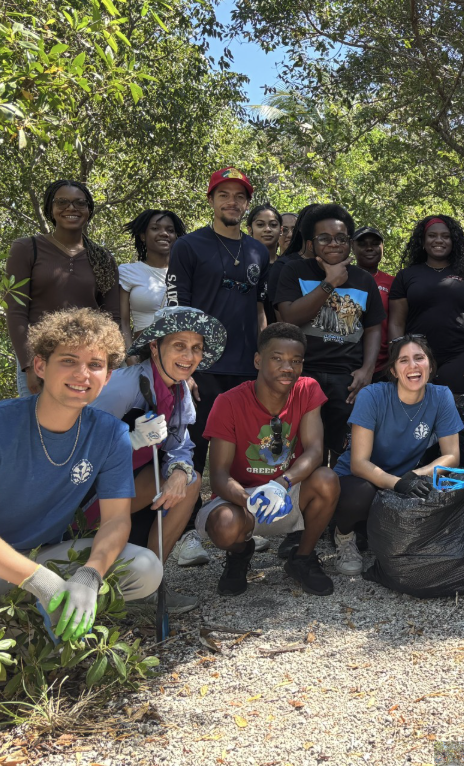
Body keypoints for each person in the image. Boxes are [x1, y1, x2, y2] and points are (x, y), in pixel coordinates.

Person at [0, 309, 161, 711]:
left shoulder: (110, 433)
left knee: (145, 568)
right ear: (41, 366)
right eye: (69, 360)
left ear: (108, 376)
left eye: (95, 365)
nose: (83, 374)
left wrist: (88, 574)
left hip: (43, 555)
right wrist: (42, 583)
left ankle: (34, 627)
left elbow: (117, 518)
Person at [88, 306, 226, 613]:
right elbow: (80, 446)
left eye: (196, 349)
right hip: (88, 496)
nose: (189, 357)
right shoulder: (122, 387)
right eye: (179, 346)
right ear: (154, 347)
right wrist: (129, 441)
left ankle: (146, 584)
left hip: (129, 488)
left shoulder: (179, 392)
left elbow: (181, 446)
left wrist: (178, 470)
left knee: (190, 482)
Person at [164, 167, 269, 568]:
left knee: (241, 454)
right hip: (201, 368)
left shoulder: (258, 250)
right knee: (192, 451)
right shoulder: (189, 247)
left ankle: (241, 524)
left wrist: (261, 359)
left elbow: (259, 308)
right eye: (223, 195)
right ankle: (187, 533)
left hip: (245, 368)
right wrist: (183, 369)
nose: (232, 203)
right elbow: (177, 309)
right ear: (211, 200)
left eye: (239, 197)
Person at [199, 323, 340, 596]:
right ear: (258, 360)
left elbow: (314, 451)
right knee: (225, 527)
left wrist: (281, 483)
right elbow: (218, 474)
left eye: (295, 361)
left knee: (328, 479)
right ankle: (240, 554)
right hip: (242, 497)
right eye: (277, 358)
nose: (288, 367)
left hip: (286, 489)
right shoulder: (228, 402)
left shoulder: (307, 389)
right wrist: (248, 500)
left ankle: (302, 558)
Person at [330, 335, 464, 575]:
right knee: (359, 496)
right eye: (403, 360)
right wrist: (398, 484)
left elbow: (452, 455)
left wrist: (416, 474)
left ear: (430, 366)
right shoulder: (372, 396)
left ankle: (371, 534)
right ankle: (344, 535)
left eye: (419, 358)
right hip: (361, 479)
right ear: (393, 370)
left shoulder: (441, 396)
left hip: (404, 477)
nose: (413, 366)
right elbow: (359, 463)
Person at [276, 204, 385, 465]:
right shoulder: (294, 271)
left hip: (346, 378)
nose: (333, 244)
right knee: (300, 450)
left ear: (349, 242)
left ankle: (337, 502)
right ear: (311, 244)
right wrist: (330, 283)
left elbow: (373, 327)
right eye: (324, 238)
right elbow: (290, 317)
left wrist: (367, 370)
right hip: (302, 374)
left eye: (341, 238)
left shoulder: (363, 279)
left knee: (342, 451)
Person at [5, 180, 121, 396]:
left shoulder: (103, 258)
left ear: (89, 210)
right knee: (38, 426)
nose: (71, 208)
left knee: (85, 427)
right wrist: (29, 364)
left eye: (79, 203)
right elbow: (15, 310)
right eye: (62, 202)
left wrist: (108, 365)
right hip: (42, 359)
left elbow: (113, 317)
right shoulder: (27, 248)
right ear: (51, 207)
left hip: (88, 362)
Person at [387, 215, 464, 395]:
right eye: (432, 236)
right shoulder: (406, 276)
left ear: (453, 241)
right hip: (417, 357)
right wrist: (398, 358)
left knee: (456, 413)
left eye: (446, 236)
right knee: (420, 414)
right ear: (423, 241)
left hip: (460, 354)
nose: (439, 240)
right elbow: (396, 323)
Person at [119, 209, 186, 340]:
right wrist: (130, 357)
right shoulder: (127, 272)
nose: (164, 233)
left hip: (180, 353)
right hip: (143, 354)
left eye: (170, 230)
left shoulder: (187, 274)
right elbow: (123, 322)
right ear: (143, 236)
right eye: (155, 228)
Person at [267, 203, 319, 324]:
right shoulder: (281, 267)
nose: (289, 234)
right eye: (284, 230)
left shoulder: (338, 269)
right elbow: (283, 322)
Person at [352, 226, 394, 373]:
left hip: (384, 365)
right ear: (352, 246)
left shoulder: (393, 282)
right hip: (348, 362)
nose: (369, 248)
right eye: (362, 244)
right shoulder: (341, 278)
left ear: (383, 247)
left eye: (375, 244)